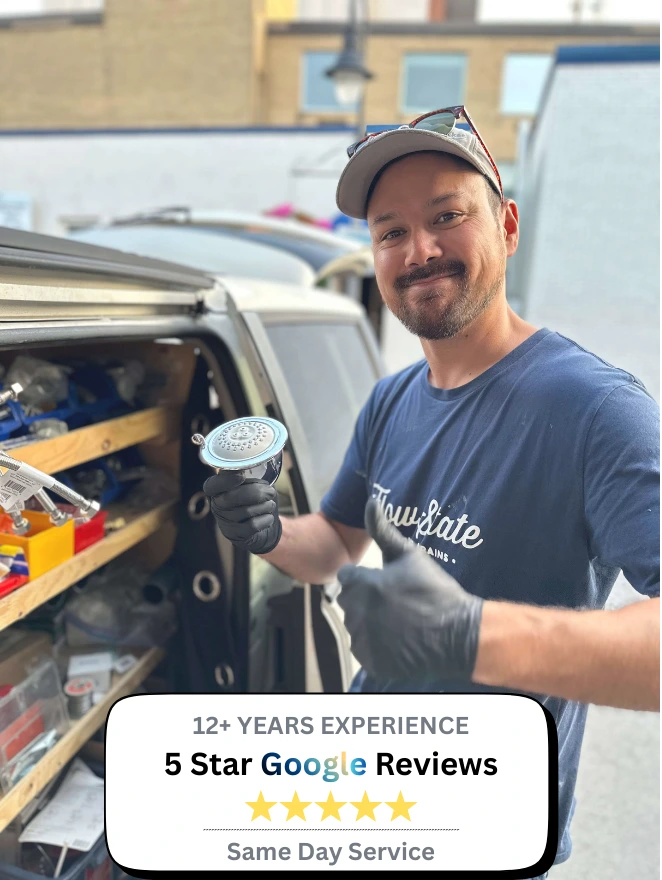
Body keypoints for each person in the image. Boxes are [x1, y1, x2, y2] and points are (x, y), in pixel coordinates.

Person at [203, 108, 660, 876]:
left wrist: (470, 636)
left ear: (507, 225)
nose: (419, 251)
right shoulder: (393, 400)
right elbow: (336, 546)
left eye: (447, 216)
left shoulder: (596, 411)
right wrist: (270, 533)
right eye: (390, 232)